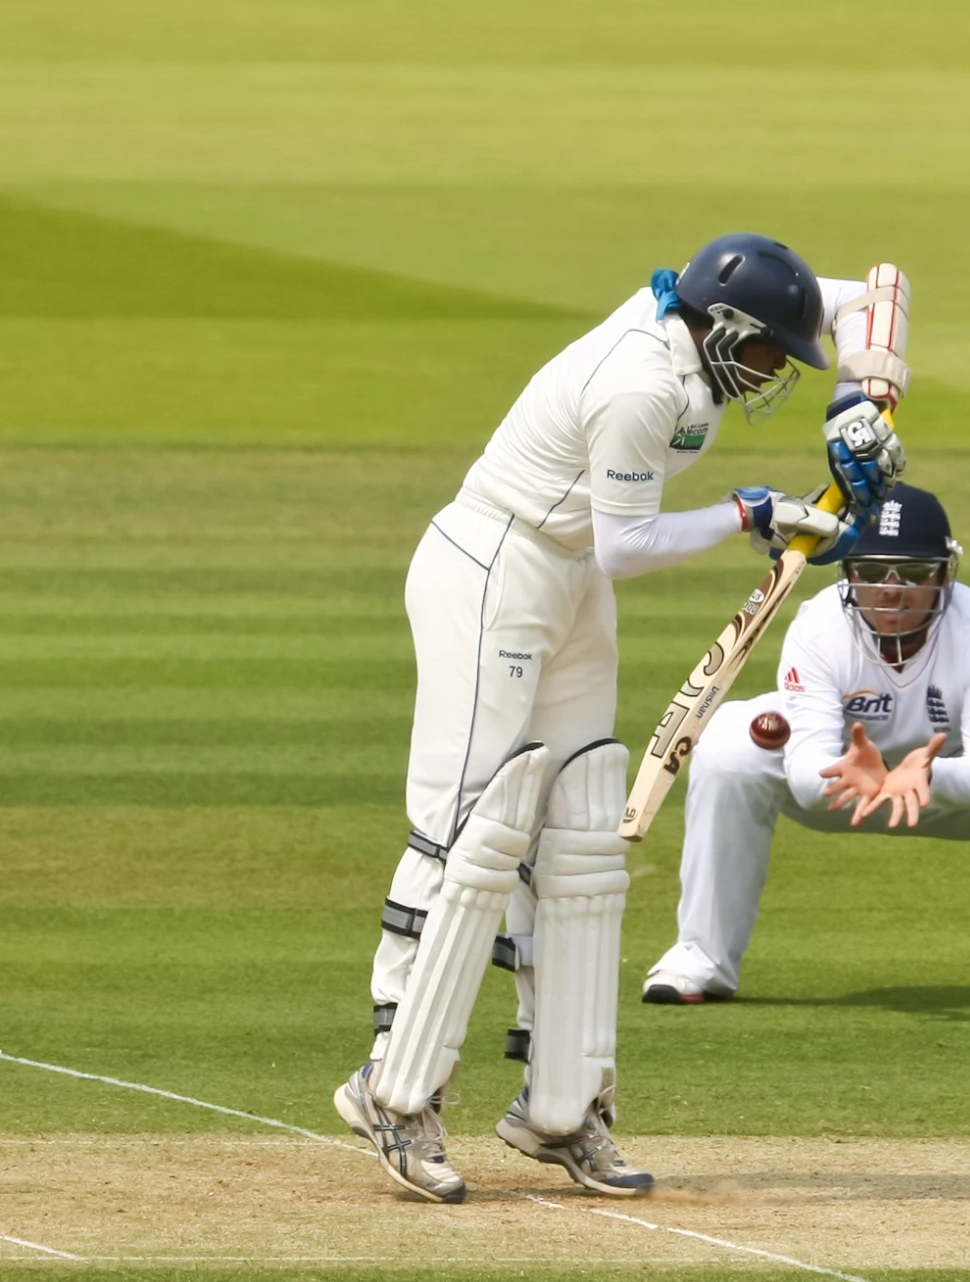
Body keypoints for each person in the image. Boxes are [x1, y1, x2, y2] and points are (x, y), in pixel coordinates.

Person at [333, 236, 909, 1202]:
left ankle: (564, 1102)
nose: (774, 374)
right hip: (494, 566)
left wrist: (862, 399)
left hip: (566, 578)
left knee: (580, 822)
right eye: (770, 355)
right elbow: (629, 546)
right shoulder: (640, 385)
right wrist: (752, 513)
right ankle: (393, 1087)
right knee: (465, 828)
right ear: (724, 328)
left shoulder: (715, 328)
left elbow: (882, 288)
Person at [643, 483, 970, 1011]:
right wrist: (858, 773)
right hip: (845, 782)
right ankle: (702, 958)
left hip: (952, 782)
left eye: (915, 574)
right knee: (729, 746)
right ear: (849, 574)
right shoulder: (819, 624)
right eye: (874, 572)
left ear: (946, 573)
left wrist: (925, 775)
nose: (892, 591)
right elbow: (810, 778)